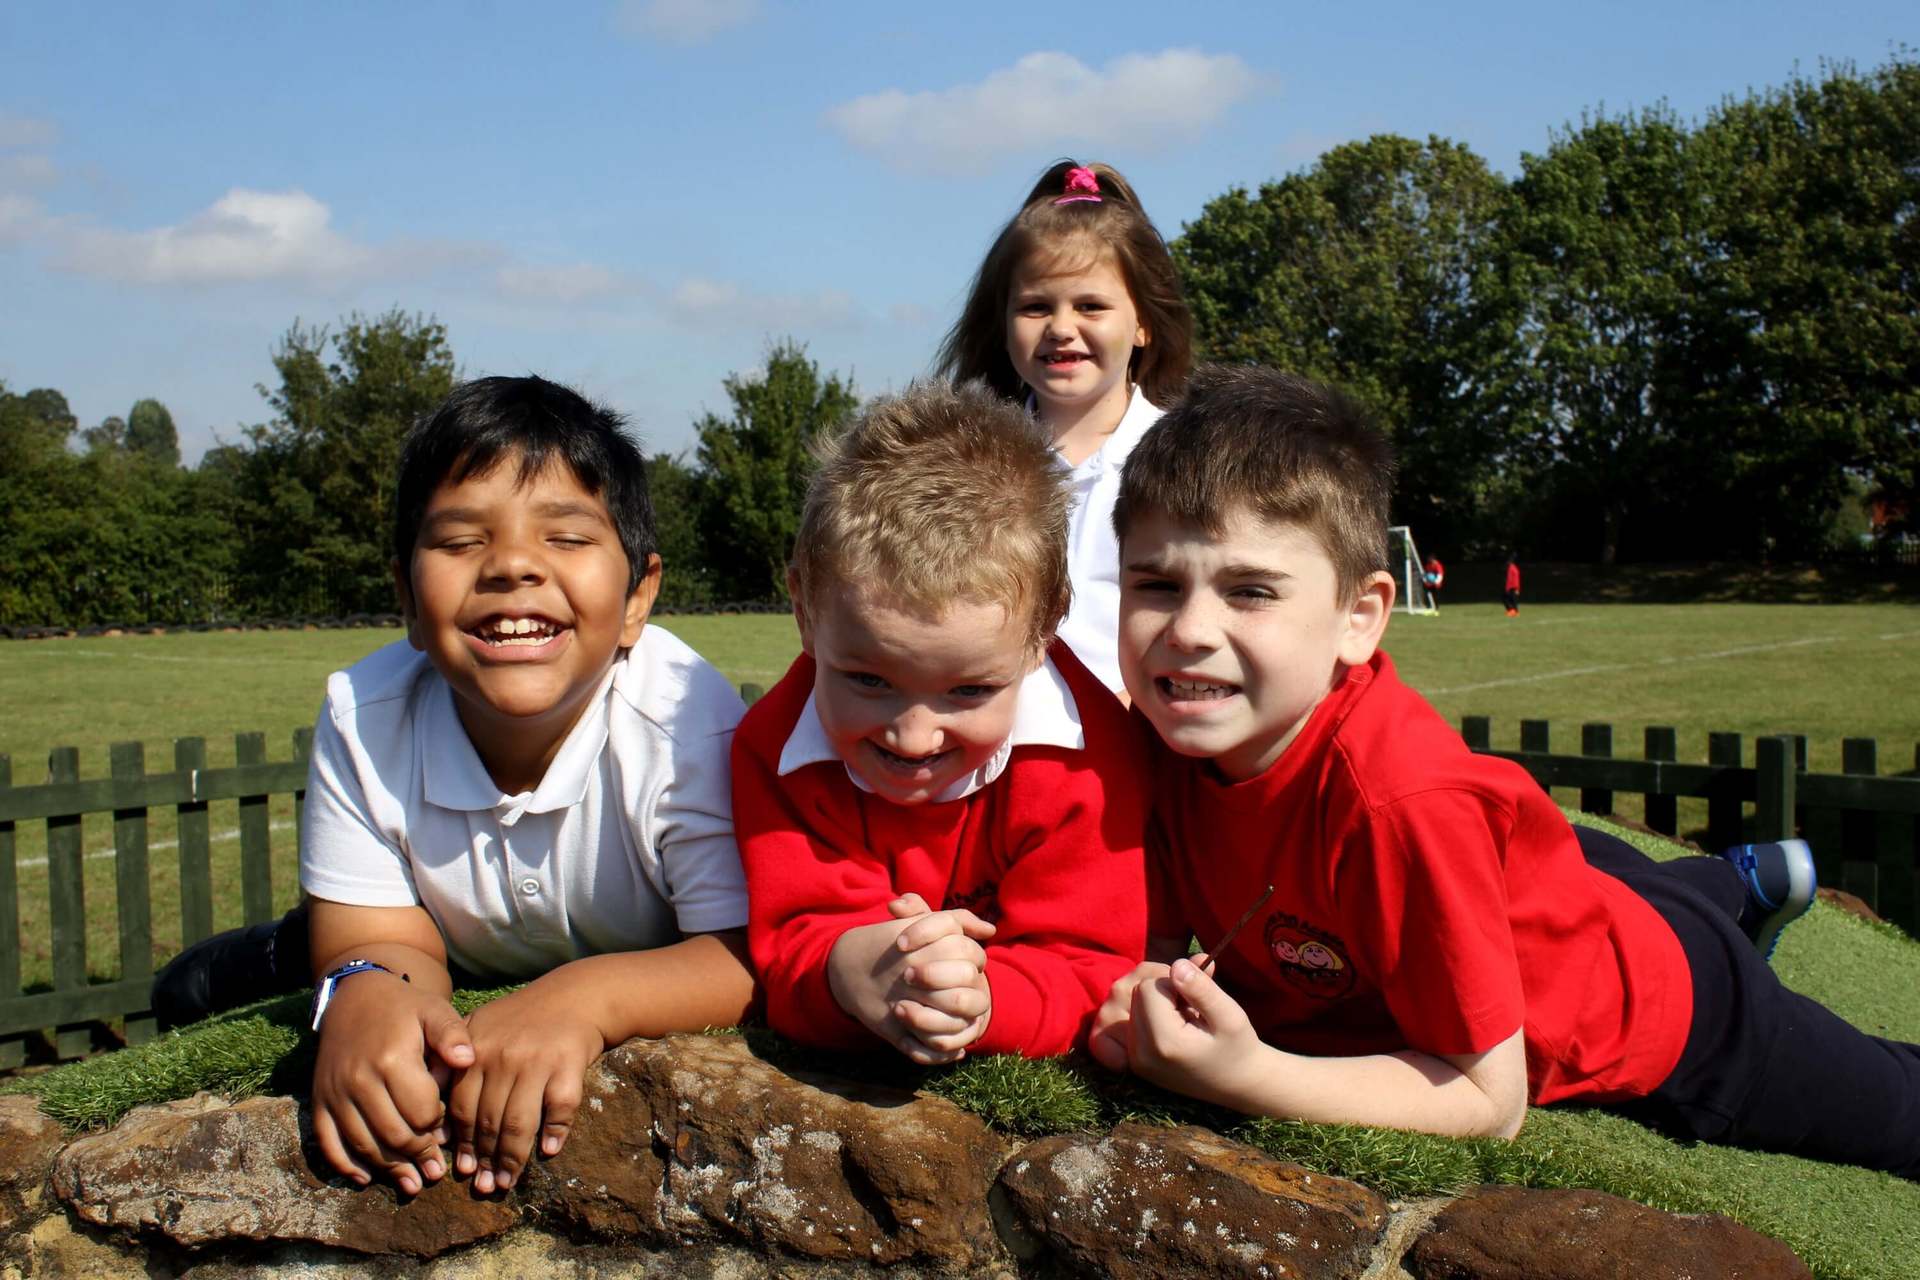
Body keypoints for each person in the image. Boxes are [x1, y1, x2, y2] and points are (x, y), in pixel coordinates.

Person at [1089, 365, 1920, 1176]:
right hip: (1558, 887)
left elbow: (1491, 1100)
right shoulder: (1159, 742)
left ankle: (1730, 901)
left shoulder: (1401, 809)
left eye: (1250, 591)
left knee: (1898, 1111)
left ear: (1361, 617)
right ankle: (1734, 886)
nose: (1190, 629)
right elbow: (1144, 951)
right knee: (1590, 871)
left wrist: (1250, 1075)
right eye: (1156, 584)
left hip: (1682, 1016)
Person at [294, 376, 755, 1198]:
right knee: (225, 978)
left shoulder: (691, 726)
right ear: (403, 594)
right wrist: (366, 994)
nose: (512, 565)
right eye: (461, 540)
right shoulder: (362, 716)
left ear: (638, 597)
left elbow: (745, 955)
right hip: (449, 939)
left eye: (568, 539)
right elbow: (378, 940)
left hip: (596, 947)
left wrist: (585, 1000)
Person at [735, 380, 1148, 1063]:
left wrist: (983, 1001)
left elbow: (1090, 962)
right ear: (805, 611)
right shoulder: (776, 747)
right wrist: (847, 972)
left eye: (969, 690)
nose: (913, 737)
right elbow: (793, 943)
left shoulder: (1089, 759)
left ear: (1044, 630)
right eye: (869, 681)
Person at [936, 159, 1193, 694]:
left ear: (1144, 322)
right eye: (1034, 307)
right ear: (1003, 324)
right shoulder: (960, 463)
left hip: (1139, 749)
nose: (1060, 327)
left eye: (1090, 305)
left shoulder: (1191, 461)